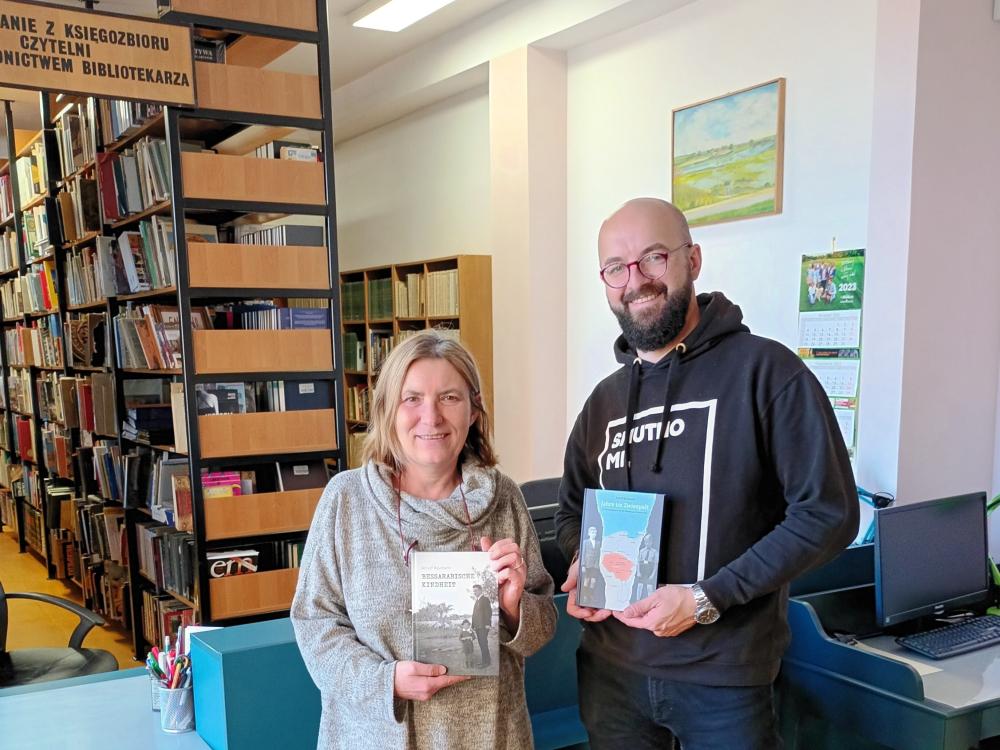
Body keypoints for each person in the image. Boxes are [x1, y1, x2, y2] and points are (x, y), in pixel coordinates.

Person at [554, 198, 858, 749]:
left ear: (692, 260)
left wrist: (707, 596)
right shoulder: (603, 403)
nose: (637, 281)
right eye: (616, 268)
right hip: (611, 672)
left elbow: (828, 514)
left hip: (724, 678)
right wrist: (585, 562)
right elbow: (571, 509)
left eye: (654, 258)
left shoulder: (768, 374)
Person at [292, 330, 556, 750]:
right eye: (411, 398)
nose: (430, 417)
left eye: (449, 397)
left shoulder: (504, 497)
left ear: (473, 410)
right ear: (387, 411)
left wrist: (512, 608)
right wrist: (385, 682)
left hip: (489, 736)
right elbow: (314, 624)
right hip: (373, 736)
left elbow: (540, 629)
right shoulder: (347, 500)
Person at [471, 584, 492, 668]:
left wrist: (488, 624)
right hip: (477, 627)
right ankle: (485, 661)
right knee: (481, 644)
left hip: (483, 626)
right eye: (473, 591)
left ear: (480, 590)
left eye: (475, 590)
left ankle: (486, 663)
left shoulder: (485, 599)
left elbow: (488, 612)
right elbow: (474, 615)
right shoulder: (477, 601)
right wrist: (472, 626)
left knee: (483, 644)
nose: (474, 592)